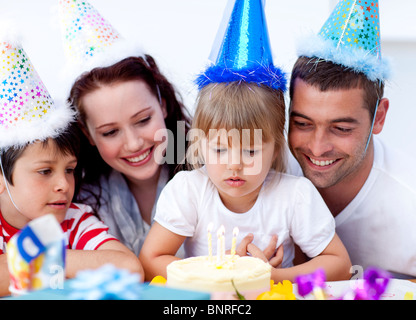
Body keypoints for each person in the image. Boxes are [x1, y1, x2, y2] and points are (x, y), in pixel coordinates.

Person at [139, 0, 351, 282]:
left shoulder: (294, 196)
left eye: (250, 149)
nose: (235, 164)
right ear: (199, 144)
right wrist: (221, 276)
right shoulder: (189, 192)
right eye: (219, 149)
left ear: (276, 146)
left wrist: (271, 275)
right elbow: (151, 259)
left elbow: (339, 265)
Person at [0, 39, 143, 296]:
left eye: (69, 170)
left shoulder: (74, 220)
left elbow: (129, 267)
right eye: (45, 171)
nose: (63, 185)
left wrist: (49, 259)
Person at [288, 0, 416, 278]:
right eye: (302, 123)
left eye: (341, 128)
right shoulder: (261, 173)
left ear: (379, 117)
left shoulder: (410, 206)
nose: (317, 147)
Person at [62, 0, 191, 256]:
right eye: (110, 132)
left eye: (143, 120)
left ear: (162, 106)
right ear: (87, 133)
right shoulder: (80, 203)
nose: (133, 144)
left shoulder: (214, 173)